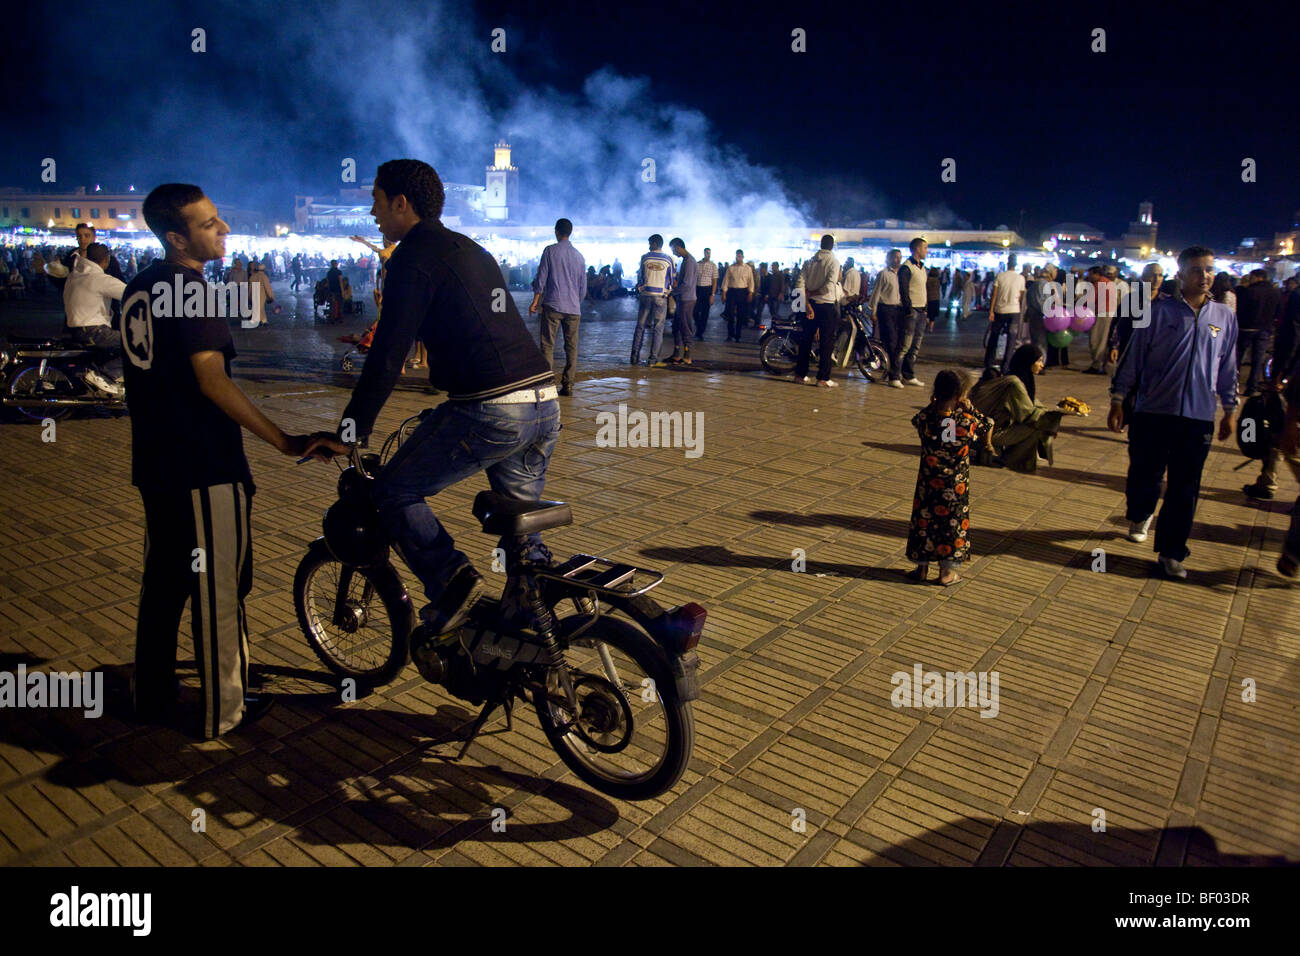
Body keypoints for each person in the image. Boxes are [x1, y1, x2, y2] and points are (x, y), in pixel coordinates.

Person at [123, 183, 332, 738]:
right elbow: (212, 381)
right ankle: (225, 711)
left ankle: (152, 695)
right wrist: (284, 440)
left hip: (157, 464)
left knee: (163, 585)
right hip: (203, 466)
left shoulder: (140, 286)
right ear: (176, 237)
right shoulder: (191, 290)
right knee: (218, 590)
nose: (223, 230)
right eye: (209, 223)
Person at [320, 158, 559, 636]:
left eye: (376, 201)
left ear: (401, 203)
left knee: (393, 490)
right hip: (544, 403)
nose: (373, 214)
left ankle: (451, 583)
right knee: (520, 531)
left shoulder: (412, 257)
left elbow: (388, 354)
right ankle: (528, 627)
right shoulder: (468, 248)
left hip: (492, 410)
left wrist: (351, 433)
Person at [1109, 245, 1240, 580]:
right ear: (1180, 274)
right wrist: (1118, 399)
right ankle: (1140, 513)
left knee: (1185, 486)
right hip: (1153, 411)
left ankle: (1171, 552)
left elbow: (1227, 366)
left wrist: (1229, 409)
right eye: (1197, 270)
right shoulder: (1156, 312)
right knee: (1143, 474)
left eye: (1209, 269)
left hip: (1197, 418)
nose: (1205, 276)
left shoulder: (1224, 317)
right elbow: (1132, 359)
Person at [906, 369, 994, 586]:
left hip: (928, 483)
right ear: (960, 394)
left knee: (924, 522)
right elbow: (988, 424)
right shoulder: (965, 421)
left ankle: (921, 568)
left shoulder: (926, 418)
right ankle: (947, 573)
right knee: (952, 525)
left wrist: (934, 404)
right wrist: (971, 409)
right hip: (955, 487)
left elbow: (916, 420)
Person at [970, 345, 1065, 473]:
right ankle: (1011, 460)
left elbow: (1033, 403)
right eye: (1039, 361)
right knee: (1040, 425)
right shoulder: (1014, 383)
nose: (1042, 365)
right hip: (991, 432)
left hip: (988, 428)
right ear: (1028, 361)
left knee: (1044, 421)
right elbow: (1027, 414)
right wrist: (1054, 417)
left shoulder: (1018, 377)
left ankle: (1011, 457)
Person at [527, 218, 586, 396]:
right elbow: (583, 287)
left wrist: (535, 301)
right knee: (572, 347)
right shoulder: (579, 256)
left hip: (553, 305)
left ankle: (546, 383)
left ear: (556, 231)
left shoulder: (550, 251)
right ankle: (568, 384)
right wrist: (576, 301)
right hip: (574, 308)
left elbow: (541, 279)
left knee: (547, 345)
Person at [63, 242, 126, 393]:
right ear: (106, 260)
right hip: (95, 331)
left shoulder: (74, 275)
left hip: (76, 329)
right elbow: (132, 293)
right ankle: (105, 375)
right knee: (136, 345)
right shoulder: (100, 279)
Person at [794, 234, 842, 387]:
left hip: (810, 305)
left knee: (805, 340)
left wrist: (807, 302)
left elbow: (799, 284)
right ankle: (823, 378)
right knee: (826, 342)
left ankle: (800, 375)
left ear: (820, 244)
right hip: (826, 305)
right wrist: (813, 294)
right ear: (832, 245)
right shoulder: (834, 262)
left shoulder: (809, 262)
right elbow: (829, 286)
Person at [630, 234, 676, 366]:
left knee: (640, 326)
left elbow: (640, 277)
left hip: (646, 295)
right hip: (660, 297)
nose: (649, 246)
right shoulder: (669, 259)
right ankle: (653, 359)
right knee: (658, 328)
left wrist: (641, 288)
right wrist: (667, 292)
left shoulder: (645, 257)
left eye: (650, 243)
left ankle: (634, 358)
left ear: (656, 244)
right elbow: (672, 280)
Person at [1234, 268, 1280, 396]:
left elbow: (1241, 310)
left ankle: (1233, 385)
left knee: (1238, 357)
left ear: (1258, 277)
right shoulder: (1275, 293)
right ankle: (1251, 387)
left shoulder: (1249, 291)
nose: (1250, 279)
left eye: (1252, 277)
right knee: (1257, 360)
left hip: (1247, 328)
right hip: (1265, 329)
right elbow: (1278, 311)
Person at [896, 237, 930, 387]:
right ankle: (895, 375)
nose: (926, 251)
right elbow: (903, 291)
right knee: (904, 345)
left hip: (922, 310)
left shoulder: (922, 268)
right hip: (912, 311)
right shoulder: (906, 267)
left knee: (915, 346)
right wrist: (908, 309)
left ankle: (908, 374)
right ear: (917, 249)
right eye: (924, 248)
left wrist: (926, 309)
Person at [869, 249, 905, 388]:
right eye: (895, 257)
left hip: (898, 310)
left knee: (899, 343)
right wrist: (873, 312)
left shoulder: (901, 274)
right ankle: (893, 376)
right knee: (891, 342)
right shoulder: (883, 274)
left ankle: (894, 369)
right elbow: (876, 293)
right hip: (886, 309)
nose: (898, 260)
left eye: (900, 257)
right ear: (889, 259)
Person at [986, 254, 1025, 371]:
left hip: (1000, 310)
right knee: (1011, 339)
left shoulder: (1000, 276)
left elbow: (994, 294)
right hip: (1014, 311)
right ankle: (1006, 365)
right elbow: (1020, 297)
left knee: (994, 336)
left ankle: (989, 362)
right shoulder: (1021, 278)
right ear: (1016, 265)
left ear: (1007, 263)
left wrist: (991, 311)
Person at [666, 237, 697, 365]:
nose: (674, 253)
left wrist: (672, 292)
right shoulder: (685, 260)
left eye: (673, 250)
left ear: (679, 247)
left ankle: (687, 356)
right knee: (676, 326)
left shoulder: (689, 261)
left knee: (685, 327)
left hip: (687, 299)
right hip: (683, 298)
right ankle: (677, 354)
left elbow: (687, 284)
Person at [720, 249, 754, 342]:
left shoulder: (747, 268)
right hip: (732, 291)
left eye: (739, 256)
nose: (738, 258)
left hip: (743, 292)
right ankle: (730, 334)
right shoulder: (731, 268)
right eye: (737, 256)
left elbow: (751, 281)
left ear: (743, 257)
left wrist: (750, 293)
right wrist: (724, 293)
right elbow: (726, 280)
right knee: (730, 314)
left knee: (740, 314)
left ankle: (738, 335)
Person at [694, 247, 717, 340]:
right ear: (703, 253)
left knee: (705, 312)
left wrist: (712, 294)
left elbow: (714, 281)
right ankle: (698, 325)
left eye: (709, 253)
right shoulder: (697, 264)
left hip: (707, 289)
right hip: (697, 289)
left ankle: (700, 331)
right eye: (706, 253)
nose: (708, 255)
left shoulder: (713, 266)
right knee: (695, 311)